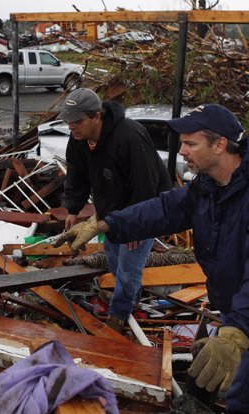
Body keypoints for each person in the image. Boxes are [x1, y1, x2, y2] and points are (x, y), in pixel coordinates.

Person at [56, 103, 249, 413]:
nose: (182, 150)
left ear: (220, 144)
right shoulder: (209, 185)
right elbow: (164, 209)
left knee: (239, 390)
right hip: (235, 301)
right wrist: (105, 223)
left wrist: (237, 333)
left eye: (190, 143)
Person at [53, 88, 172, 333]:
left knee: (129, 267)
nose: (71, 127)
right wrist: (73, 209)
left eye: (77, 121)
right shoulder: (78, 140)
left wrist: (136, 227)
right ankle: (131, 298)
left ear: (96, 116)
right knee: (114, 257)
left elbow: (145, 185)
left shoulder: (129, 136)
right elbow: (77, 173)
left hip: (144, 208)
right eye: (68, 122)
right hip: (110, 208)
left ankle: (118, 316)